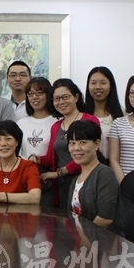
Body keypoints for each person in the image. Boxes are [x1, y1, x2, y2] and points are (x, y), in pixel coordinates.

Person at [28, 78, 100, 209]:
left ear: (76, 97)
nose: (61, 102)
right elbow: (51, 158)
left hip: (85, 181)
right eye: (56, 99)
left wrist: (59, 173)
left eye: (65, 97)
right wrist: (36, 159)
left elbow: (87, 154)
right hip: (62, 185)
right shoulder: (56, 126)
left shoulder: (89, 120)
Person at [67, 120, 125, 236]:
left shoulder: (104, 174)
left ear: (97, 144)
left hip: (104, 243)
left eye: (82, 142)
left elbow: (105, 219)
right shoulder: (75, 181)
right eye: (72, 143)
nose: (76, 148)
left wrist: (82, 242)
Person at [17, 77, 57, 206]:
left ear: (48, 95)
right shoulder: (21, 123)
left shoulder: (57, 122)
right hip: (24, 175)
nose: (35, 97)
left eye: (40, 93)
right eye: (30, 94)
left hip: (48, 177)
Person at [85, 66, 124, 161]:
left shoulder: (123, 114)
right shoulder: (81, 114)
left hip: (116, 165)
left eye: (103, 83)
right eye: (93, 83)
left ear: (111, 86)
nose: (98, 87)